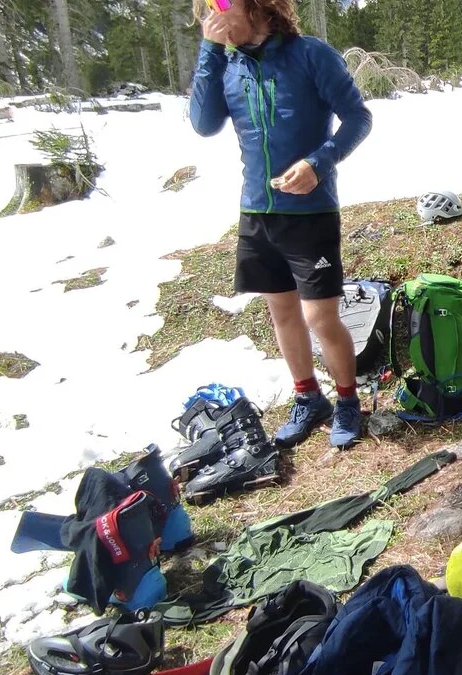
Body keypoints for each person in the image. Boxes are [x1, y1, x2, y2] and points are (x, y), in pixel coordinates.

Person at [188, 0, 373, 448]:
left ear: (257, 8)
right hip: (257, 210)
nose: (211, 21)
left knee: (319, 316)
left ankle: (347, 402)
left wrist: (318, 163)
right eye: (204, 15)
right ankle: (309, 397)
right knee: (282, 312)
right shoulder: (227, 64)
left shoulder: (310, 54)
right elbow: (203, 123)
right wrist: (209, 53)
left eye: (218, 9)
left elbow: (358, 118)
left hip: (310, 211)